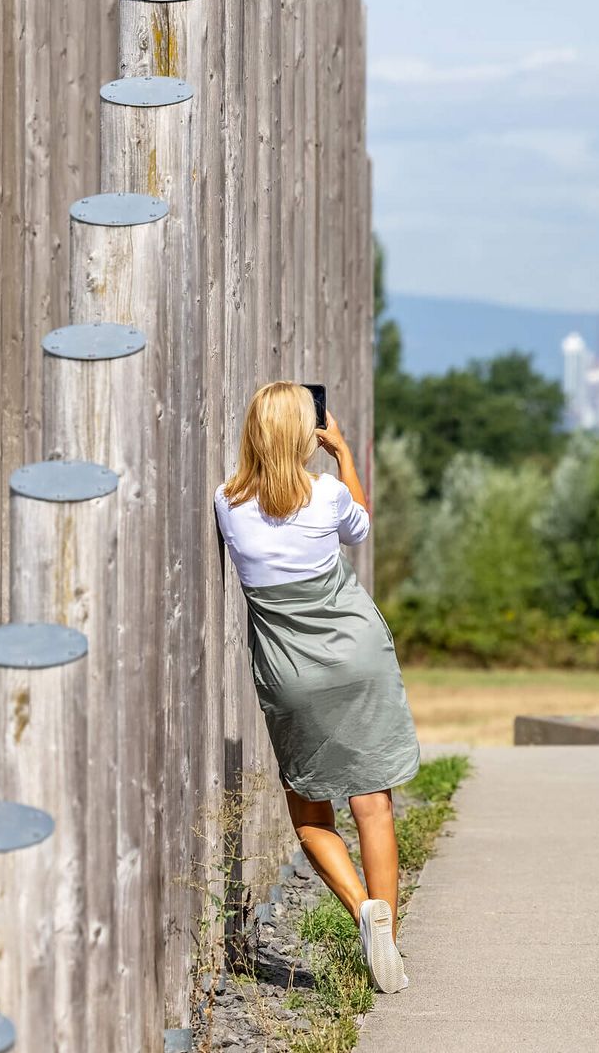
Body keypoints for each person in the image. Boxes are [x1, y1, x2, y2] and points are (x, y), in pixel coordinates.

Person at [214, 381, 420, 994]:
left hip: (293, 673)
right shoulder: (327, 494)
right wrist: (346, 454)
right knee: (373, 803)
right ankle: (389, 948)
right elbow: (360, 528)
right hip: (358, 657)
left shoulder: (227, 503)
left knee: (309, 814)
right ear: (309, 432)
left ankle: (362, 908)